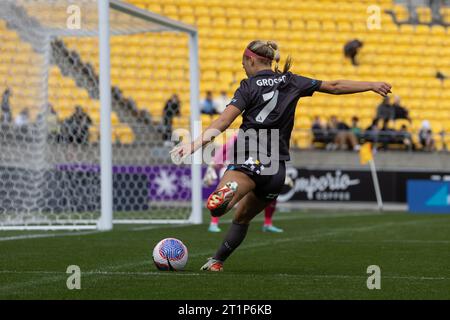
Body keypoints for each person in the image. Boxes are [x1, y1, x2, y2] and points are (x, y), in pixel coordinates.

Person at [171, 40, 391, 272]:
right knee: (242, 218)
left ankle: (230, 189)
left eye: (243, 63)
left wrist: (194, 144)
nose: (243, 67)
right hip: (276, 169)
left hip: (249, 157)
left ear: (251, 60)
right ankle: (217, 261)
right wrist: (371, 85)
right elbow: (335, 86)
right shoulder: (292, 80)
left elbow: (224, 121)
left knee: (217, 208)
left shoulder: (248, 86)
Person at [204, 133, 285, 233]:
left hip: (255, 169)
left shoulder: (265, 139)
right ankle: (214, 222)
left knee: (271, 191)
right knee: (225, 194)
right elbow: (223, 151)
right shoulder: (237, 137)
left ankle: (267, 223)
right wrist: (212, 167)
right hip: (238, 169)